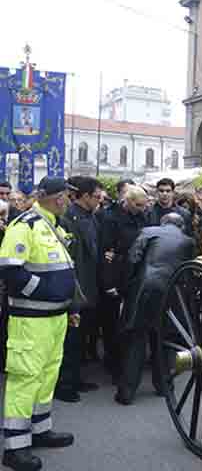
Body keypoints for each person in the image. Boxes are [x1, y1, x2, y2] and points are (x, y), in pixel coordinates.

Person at [0, 177, 78, 471]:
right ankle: (15, 447)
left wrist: (66, 305)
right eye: (65, 196)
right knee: (25, 379)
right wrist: (45, 293)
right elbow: (9, 270)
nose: (68, 201)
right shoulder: (25, 225)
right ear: (56, 198)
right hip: (31, 320)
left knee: (47, 375)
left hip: (54, 318)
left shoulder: (52, 225)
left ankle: (40, 430)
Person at [116, 213, 195, 405]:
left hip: (145, 288)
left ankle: (127, 391)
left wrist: (125, 288)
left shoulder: (148, 232)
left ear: (163, 222)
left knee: (136, 339)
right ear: (181, 226)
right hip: (172, 292)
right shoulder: (188, 241)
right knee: (163, 340)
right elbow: (190, 271)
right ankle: (163, 386)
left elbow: (132, 260)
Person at [55, 177, 103, 402]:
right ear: (84, 196)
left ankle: (77, 379)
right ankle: (65, 385)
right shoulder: (68, 218)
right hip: (75, 288)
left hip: (89, 286)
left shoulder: (91, 217)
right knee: (70, 340)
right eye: (96, 196)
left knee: (81, 338)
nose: (99, 200)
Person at [100, 184, 149, 383]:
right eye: (138, 205)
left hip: (136, 274)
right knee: (112, 324)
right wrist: (108, 282)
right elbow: (106, 252)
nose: (142, 209)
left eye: (144, 205)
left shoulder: (143, 216)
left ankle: (127, 363)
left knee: (130, 322)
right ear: (127, 202)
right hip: (117, 273)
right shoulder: (110, 218)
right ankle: (113, 365)